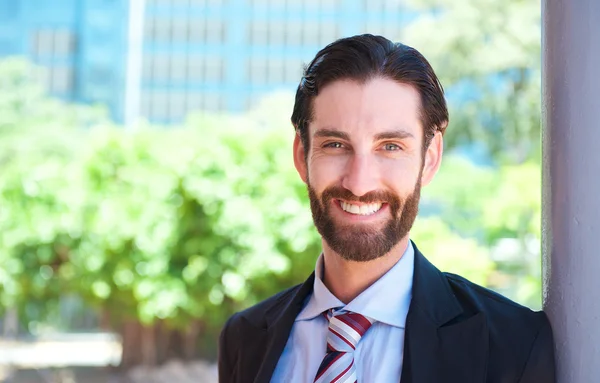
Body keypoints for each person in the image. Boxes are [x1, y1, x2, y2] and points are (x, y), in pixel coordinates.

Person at [218, 34, 555, 383]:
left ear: (430, 159)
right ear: (301, 156)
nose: (360, 183)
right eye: (335, 145)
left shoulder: (514, 347)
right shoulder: (244, 339)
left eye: (390, 146)